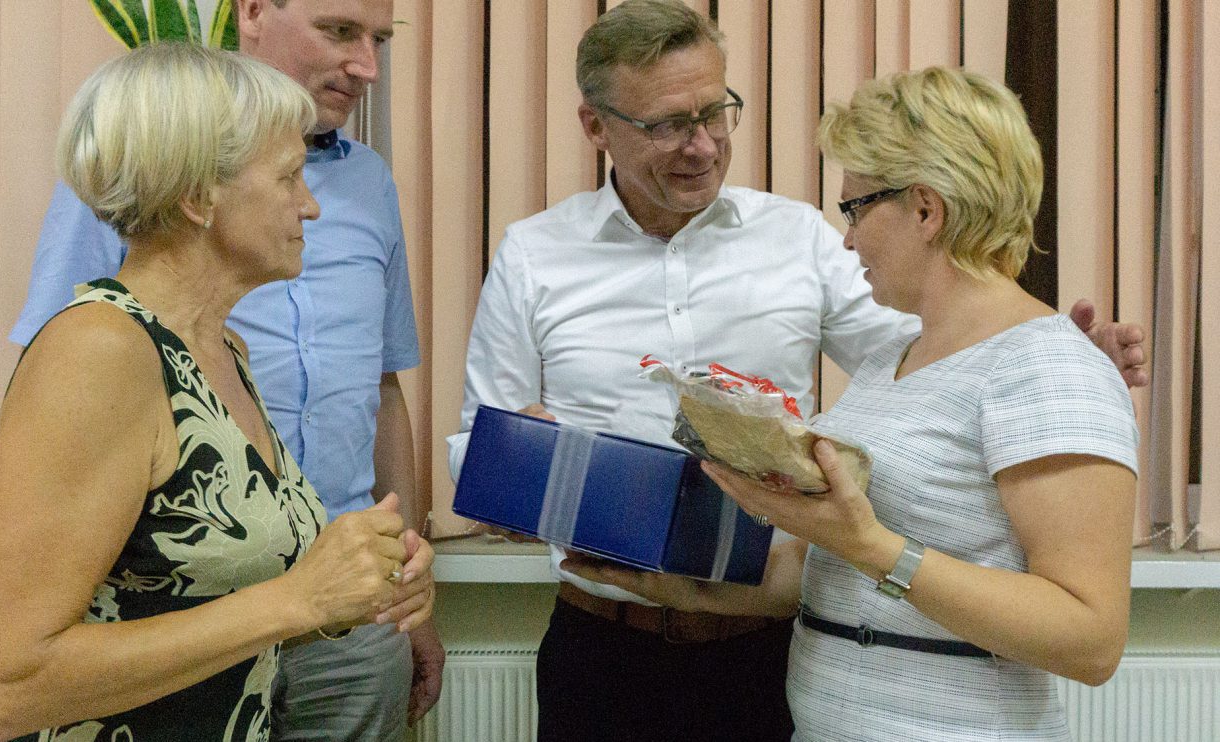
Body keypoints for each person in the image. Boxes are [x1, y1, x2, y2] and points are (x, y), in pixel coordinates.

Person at [445, 2, 1146, 741]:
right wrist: (519, 474)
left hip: (761, 657)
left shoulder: (801, 241)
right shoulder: (534, 254)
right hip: (611, 633)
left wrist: (1063, 368)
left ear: (927, 209)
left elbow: (963, 362)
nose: (703, 144)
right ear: (597, 127)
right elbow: (926, 373)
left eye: (716, 113)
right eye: (666, 125)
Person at [0, 42, 435, 742]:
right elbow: (7, 688)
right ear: (198, 197)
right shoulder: (100, 352)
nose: (310, 207)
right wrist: (297, 600)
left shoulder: (221, 350)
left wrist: (353, 591)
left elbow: (204, 599)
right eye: (288, 178)